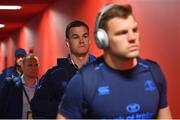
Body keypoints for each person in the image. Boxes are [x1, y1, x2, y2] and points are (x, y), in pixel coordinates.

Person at [57, 3, 172, 119]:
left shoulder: (153, 71)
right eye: (122, 33)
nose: (132, 37)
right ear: (103, 40)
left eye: (135, 30)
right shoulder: (83, 81)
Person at [30, 20, 96, 118]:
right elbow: (37, 107)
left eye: (85, 36)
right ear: (67, 43)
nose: (81, 41)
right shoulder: (54, 75)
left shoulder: (103, 71)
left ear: (89, 40)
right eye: (76, 37)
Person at [0, 54, 39, 119]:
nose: (33, 68)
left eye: (36, 65)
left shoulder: (43, 87)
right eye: (30, 65)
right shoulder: (11, 85)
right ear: (22, 67)